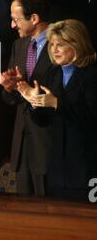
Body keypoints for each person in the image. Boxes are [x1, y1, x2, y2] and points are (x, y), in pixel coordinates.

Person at [17, 19, 97, 200]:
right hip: (59, 170)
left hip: (88, 166)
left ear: (78, 43)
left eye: (60, 45)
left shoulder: (92, 74)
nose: (54, 49)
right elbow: (43, 121)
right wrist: (35, 102)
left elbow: (92, 119)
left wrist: (57, 104)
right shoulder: (53, 73)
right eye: (52, 44)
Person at [0, 0, 53, 195]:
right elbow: (10, 98)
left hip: (49, 144)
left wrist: (29, 88)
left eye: (16, 20)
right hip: (22, 145)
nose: (13, 25)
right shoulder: (19, 45)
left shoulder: (60, 44)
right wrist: (10, 87)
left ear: (34, 18)